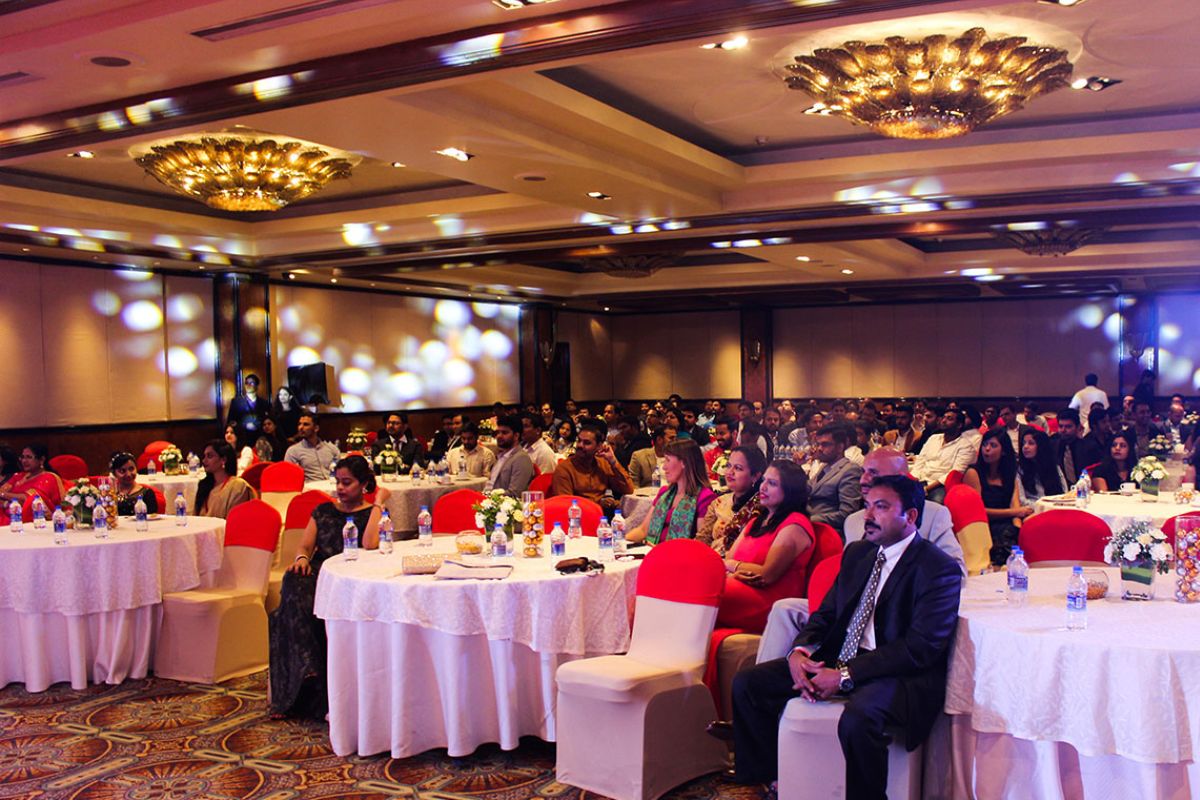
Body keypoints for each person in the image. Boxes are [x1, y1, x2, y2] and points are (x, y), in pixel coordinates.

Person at [729, 475, 961, 800]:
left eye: (881, 507)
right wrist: (800, 652)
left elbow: (919, 649)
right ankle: (767, 782)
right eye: (867, 506)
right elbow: (825, 614)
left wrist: (845, 676)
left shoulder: (938, 569)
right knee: (748, 684)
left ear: (910, 516)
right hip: (841, 656)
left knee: (859, 719)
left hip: (897, 672)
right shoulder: (858, 553)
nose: (868, 515)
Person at [269, 455, 380, 719]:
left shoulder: (372, 513)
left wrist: (378, 504)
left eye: (347, 483)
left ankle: (310, 676)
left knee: (294, 609)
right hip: (322, 571)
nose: (340, 488)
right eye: (338, 482)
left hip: (353, 577)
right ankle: (307, 670)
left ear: (363, 484)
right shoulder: (323, 511)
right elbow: (306, 546)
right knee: (294, 580)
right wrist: (301, 559)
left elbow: (371, 545)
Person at [716, 460, 814, 632]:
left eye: (772, 483)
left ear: (790, 491)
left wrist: (733, 566)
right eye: (764, 481)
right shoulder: (756, 521)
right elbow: (729, 558)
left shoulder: (795, 525)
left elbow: (766, 575)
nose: (763, 487)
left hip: (769, 602)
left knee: (703, 590)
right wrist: (733, 571)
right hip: (739, 586)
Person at [963, 427, 1032, 565]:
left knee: (1021, 533)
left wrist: (1018, 530)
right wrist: (1014, 513)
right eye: (985, 444)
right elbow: (977, 511)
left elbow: (1015, 507)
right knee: (1006, 536)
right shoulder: (973, 473)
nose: (987, 449)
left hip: (1007, 524)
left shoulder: (1009, 474)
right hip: (983, 524)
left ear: (1004, 451)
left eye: (993, 445)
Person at [627, 440, 717, 545]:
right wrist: (620, 541)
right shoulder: (664, 493)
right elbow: (643, 530)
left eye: (667, 460)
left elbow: (702, 543)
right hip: (652, 550)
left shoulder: (705, 498)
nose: (664, 467)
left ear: (684, 463)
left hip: (680, 553)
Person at [550, 421, 633, 513]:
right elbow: (565, 505)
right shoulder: (564, 468)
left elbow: (628, 489)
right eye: (579, 441)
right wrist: (599, 503)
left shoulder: (603, 464)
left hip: (603, 515)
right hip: (578, 517)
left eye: (587, 443)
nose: (580, 445)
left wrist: (613, 461)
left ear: (599, 446)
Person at [698, 445, 766, 556]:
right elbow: (702, 539)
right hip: (710, 559)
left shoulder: (761, 507)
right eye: (728, 466)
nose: (730, 472)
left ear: (755, 476)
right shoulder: (719, 502)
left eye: (738, 468)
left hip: (739, 563)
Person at [805, 424, 863, 536]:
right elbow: (808, 490)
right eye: (818, 444)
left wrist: (809, 519)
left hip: (828, 532)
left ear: (840, 447)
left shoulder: (850, 470)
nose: (819, 449)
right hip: (810, 527)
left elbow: (847, 513)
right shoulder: (824, 467)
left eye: (825, 444)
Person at [910, 408, 979, 503]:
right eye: (943, 417)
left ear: (959, 425)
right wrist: (914, 480)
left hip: (939, 485)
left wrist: (927, 489)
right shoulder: (933, 438)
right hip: (921, 479)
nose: (944, 421)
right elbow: (920, 461)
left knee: (936, 503)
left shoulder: (966, 446)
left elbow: (954, 473)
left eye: (949, 419)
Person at [0, 444, 65, 523]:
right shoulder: (18, 476)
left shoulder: (48, 478)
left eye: (29, 457)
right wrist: (5, 502)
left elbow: (29, 499)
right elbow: (3, 490)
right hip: (10, 516)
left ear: (41, 460)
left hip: (34, 520)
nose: (24, 461)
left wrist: (4, 496)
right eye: (22, 457)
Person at [194, 440, 257, 518]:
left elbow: (235, 520)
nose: (204, 461)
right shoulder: (204, 485)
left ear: (223, 460)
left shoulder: (237, 486)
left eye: (210, 456)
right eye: (204, 456)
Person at [1050, 407, 1103, 485]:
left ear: (1078, 427)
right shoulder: (1052, 447)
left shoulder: (1089, 447)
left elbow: (1097, 472)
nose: (1063, 430)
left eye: (1068, 427)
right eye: (1061, 426)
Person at [485, 415, 535, 496]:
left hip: (502, 502)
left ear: (516, 436)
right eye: (498, 432)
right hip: (488, 498)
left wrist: (489, 497)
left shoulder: (521, 459)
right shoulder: (501, 456)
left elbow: (515, 493)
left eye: (504, 433)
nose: (499, 436)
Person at [284, 413, 340, 482]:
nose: (300, 427)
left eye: (305, 424)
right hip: (309, 486)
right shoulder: (293, 451)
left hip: (331, 484)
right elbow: (289, 477)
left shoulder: (331, 448)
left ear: (316, 428)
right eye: (299, 424)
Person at [1018, 428, 1067, 505]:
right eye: (1023, 443)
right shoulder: (1019, 470)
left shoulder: (1054, 466)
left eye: (1031, 443)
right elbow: (1021, 500)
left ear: (1041, 446)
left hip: (1056, 506)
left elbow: (1064, 493)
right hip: (1034, 508)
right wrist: (1045, 506)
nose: (1025, 447)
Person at [226, 373, 272, 446]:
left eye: (252, 383)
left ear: (257, 386)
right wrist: (244, 425)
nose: (248, 385)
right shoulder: (236, 402)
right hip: (242, 438)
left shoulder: (264, 403)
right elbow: (231, 421)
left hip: (259, 437)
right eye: (247, 383)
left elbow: (267, 420)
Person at [705, 416, 736, 482]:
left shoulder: (743, 455)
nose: (718, 437)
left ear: (734, 434)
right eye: (716, 433)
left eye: (722, 433)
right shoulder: (709, 455)